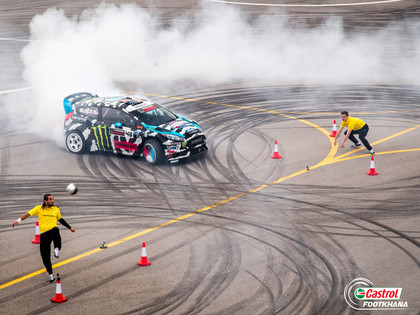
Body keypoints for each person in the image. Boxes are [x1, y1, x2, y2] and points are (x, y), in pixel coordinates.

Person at [12, 194, 76, 283]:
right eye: (50, 199)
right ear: (45, 201)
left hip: (53, 231)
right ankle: (51, 275)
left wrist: (69, 227)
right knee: (45, 256)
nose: (52, 201)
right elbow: (27, 214)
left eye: (53, 199)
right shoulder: (39, 208)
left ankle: (56, 249)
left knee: (55, 229)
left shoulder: (56, 209)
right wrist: (17, 221)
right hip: (44, 234)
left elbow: (61, 220)